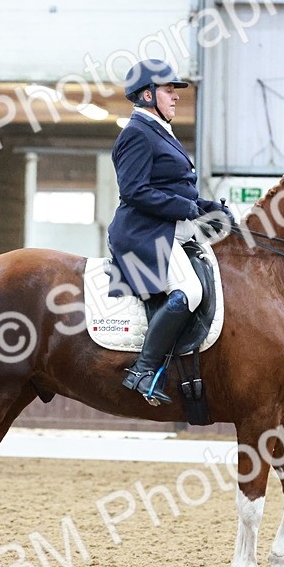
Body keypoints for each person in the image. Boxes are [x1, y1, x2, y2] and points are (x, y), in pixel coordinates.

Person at [107, 59, 234, 405]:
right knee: (189, 291)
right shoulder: (136, 133)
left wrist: (207, 207)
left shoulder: (159, 130)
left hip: (170, 230)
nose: (176, 97)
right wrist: (185, 209)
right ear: (147, 94)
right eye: (168, 90)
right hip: (142, 234)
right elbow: (134, 190)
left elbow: (178, 189)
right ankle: (143, 371)